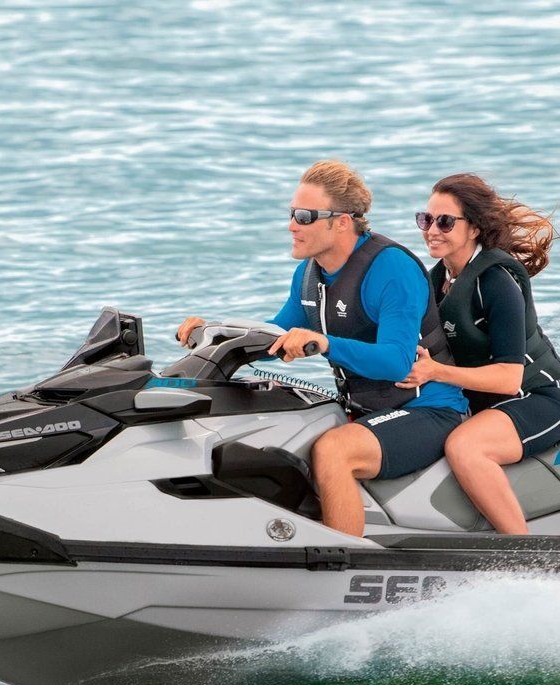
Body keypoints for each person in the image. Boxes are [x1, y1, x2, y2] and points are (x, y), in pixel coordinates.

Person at [176, 160, 467, 537]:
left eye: (304, 216)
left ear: (342, 222)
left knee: (333, 450)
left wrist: (325, 344)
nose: (291, 225)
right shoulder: (309, 274)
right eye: (291, 213)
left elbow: (397, 361)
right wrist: (214, 331)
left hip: (429, 409)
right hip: (366, 408)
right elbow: (276, 336)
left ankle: (342, 561)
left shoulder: (391, 269)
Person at [394, 174, 560, 534]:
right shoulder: (436, 281)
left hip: (532, 401)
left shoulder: (496, 282)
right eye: (425, 219)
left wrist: (435, 372)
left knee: (464, 447)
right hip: (477, 406)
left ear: (474, 228)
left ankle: (520, 550)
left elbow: (508, 378)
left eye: (445, 221)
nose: (431, 230)